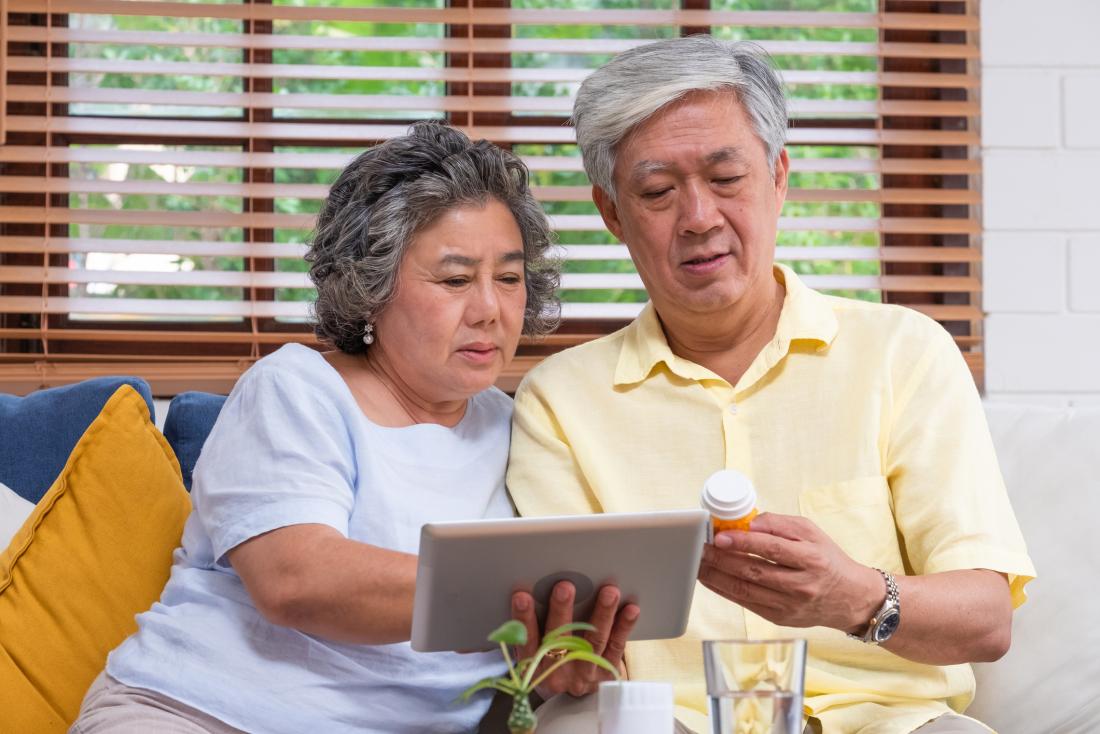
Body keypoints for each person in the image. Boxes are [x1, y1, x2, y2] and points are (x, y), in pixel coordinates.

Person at [506, 37, 1035, 734]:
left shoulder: (903, 353)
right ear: (613, 215)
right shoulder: (561, 401)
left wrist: (852, 596)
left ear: (779, 177)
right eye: (659, 192)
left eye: (726, 178)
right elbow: (571, 652)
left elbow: (987, 620)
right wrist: (567, 663)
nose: (698, 217)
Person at [70, 121, 567, 734]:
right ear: (373, 285)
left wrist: (559, 653)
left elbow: (526, 656)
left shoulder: (526, 426)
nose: (491, 309)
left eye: (510, 278)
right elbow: (297, 581)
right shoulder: (296, 388)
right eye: (456, 279)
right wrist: (516, 597)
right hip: (200, 711)